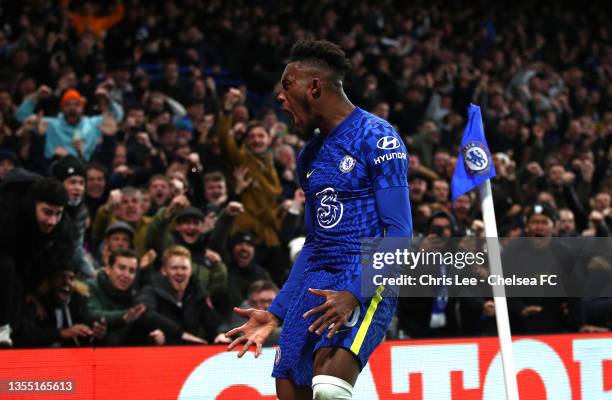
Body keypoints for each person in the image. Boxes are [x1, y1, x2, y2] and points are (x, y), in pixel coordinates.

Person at [226, 40, 412, 400]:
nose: (280, 97)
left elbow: (400, 232)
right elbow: (314, 243)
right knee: (289, 391)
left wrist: (355, 293)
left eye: (287, 85)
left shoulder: (377, 137)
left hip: (363, 274)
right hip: (316, 279)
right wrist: (276, 312)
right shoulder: (308, 155)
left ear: (314, 87)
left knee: (328, 390)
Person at [0, 176, 75, 347]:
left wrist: (31, 291)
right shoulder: (7, 212)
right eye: (47, 212)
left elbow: (53, 261)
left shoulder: (63, 229)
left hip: (22, 274)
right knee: (6, 266)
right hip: (5, 262)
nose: (52, 221)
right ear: (32, 204)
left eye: (58, 214)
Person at [134, 245, 222, 345]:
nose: (179, 272)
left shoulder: (197, 292)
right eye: (174, 268)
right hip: (157, 353)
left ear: (190, 271)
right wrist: (180, 333)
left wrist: (220, 334)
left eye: (184, 268)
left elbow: (212, 320)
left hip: (190, 354)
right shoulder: (150, 289)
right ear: (164, 271)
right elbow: (145, 313)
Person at [86, 249, 145, 346]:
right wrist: (123, 316)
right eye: (122, 268)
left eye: (132, 271)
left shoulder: (134, 295)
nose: (126, 275)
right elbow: (91, 314)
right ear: (108, 269)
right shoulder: (90, 286)